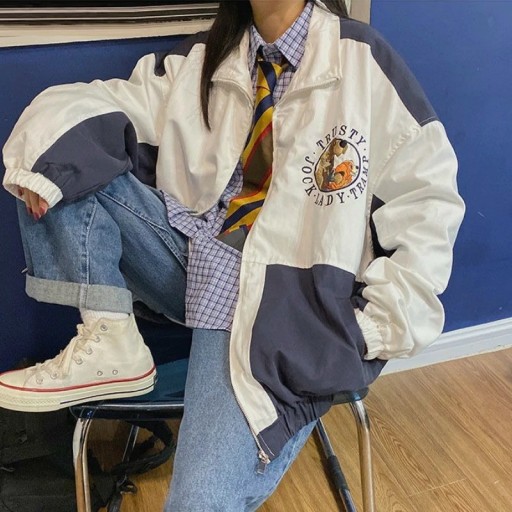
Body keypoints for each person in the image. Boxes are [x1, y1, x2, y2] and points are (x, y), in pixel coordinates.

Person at [0, 0, 465, 509]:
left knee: (198, 501)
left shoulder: (361, 58)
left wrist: (370, 330)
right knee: (55, 160)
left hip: (287, 304)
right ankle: (110, 335)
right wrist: (43, 161)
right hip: (194, 258)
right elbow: (95, 106)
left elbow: (428, 200)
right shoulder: (203, 59)